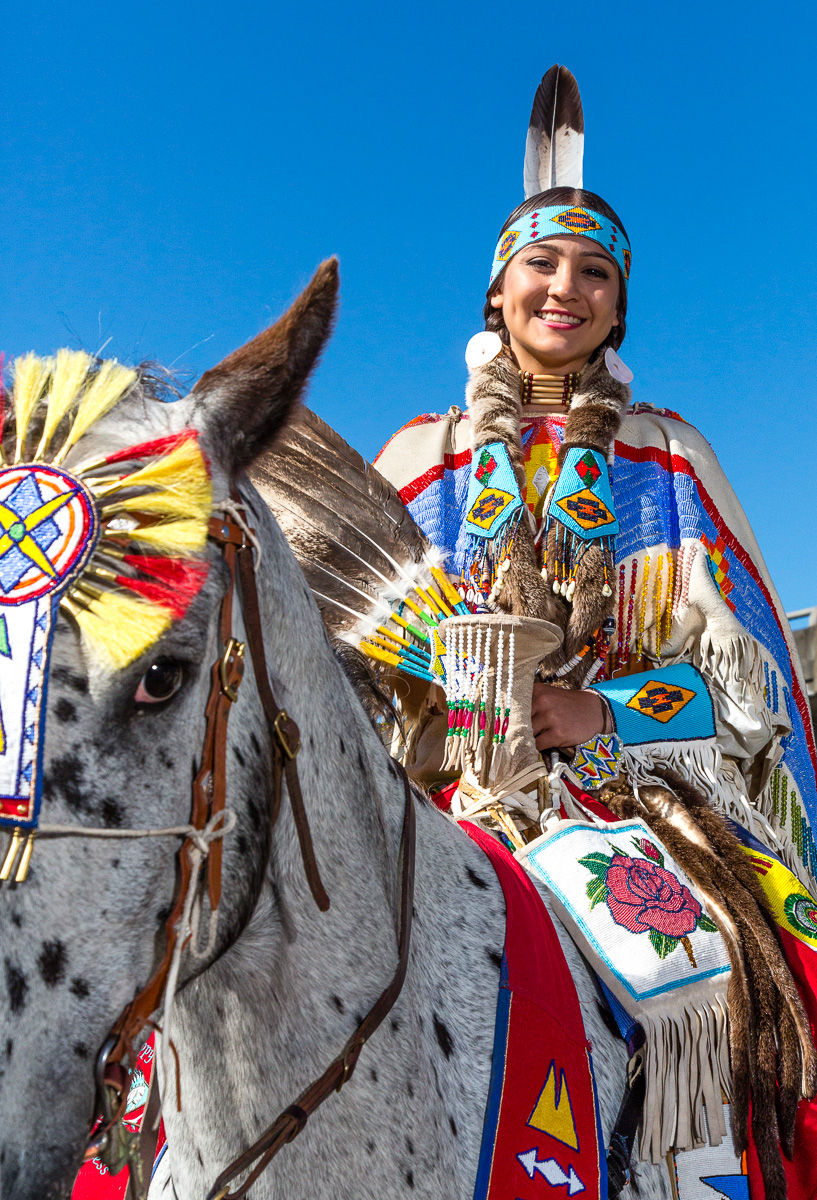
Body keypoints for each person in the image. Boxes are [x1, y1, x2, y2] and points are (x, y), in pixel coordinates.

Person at [373, 66, 817, 1200]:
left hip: (626, 804)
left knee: (730, 976)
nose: (564, 288)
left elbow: (746, 694)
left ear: (619, 306)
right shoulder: (420, 459)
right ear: (495, 292)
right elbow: (338, 657)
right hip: (425, 796)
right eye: (540, 264)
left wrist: (592, 714)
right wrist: (442, 694)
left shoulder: (666, 459)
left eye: (594, 271)